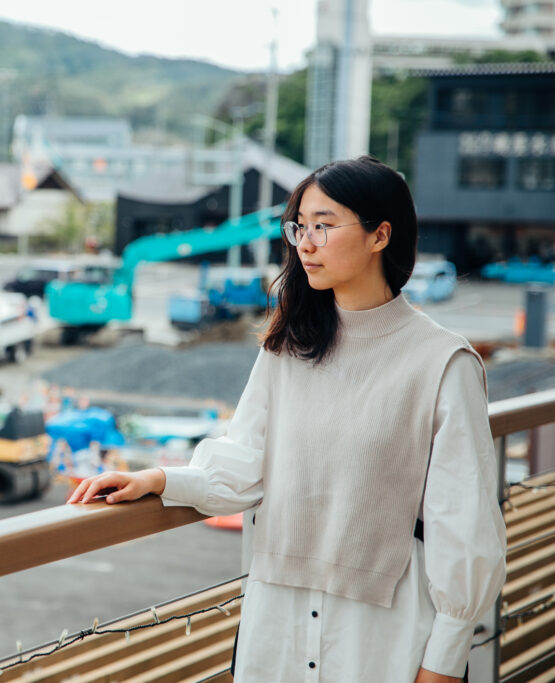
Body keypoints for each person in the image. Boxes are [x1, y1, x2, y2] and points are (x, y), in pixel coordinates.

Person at [68, 156, 506, 683]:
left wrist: (442, 663)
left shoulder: (442, 362)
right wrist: (158, 479)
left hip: (381, 634)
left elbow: (463, 526)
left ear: (379, 235)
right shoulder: (289, 345)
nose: (305, 242)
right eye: (300, 225)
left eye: (324, 224)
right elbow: (246, 461)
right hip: (275, 626)